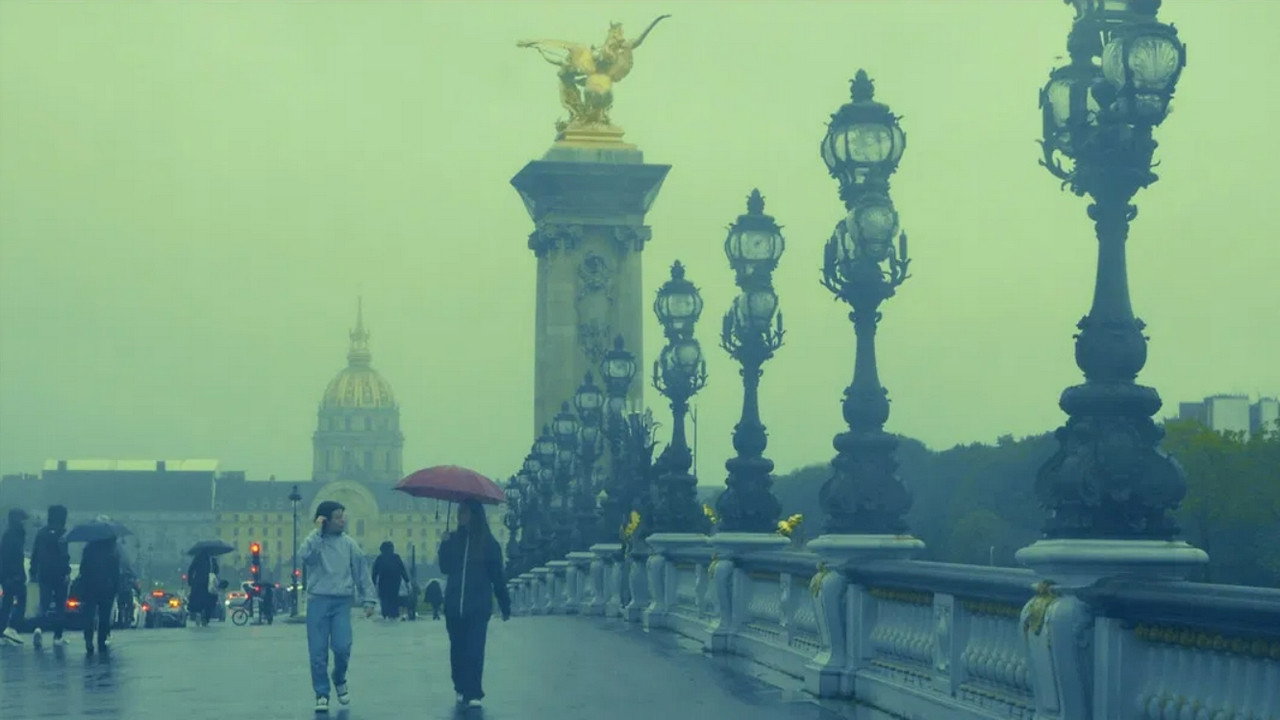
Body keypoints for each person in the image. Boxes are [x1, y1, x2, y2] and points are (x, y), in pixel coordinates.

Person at [300, 501, 376, 714]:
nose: (343, 520)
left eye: (343, 516)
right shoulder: (314, 542)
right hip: (317, 601)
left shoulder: (350, 545)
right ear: (325, 520)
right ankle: (322, 693)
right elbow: (306, 557)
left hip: (342, 601)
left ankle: (339, 677)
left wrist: (368, 599)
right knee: (317, 652)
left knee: (343, 647)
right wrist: (317, 533)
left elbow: (362, 572)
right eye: (338, 517)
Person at [438, 499, 511, 710]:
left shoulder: (489, 544)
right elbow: (444, 568)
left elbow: (498, 577)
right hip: (454, 606)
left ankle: (474, 691)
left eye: (464, 512)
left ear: (475, 515)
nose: (459, 516)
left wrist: (504, 604)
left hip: (478, 606)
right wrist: (444, 544)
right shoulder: (452, 540)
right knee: (457, 649)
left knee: (475, 649)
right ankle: (460, 685)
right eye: (459, 511)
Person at [30, 505, 71, 647]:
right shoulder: (63, 534)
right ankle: (57, 637)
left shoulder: (41, 533)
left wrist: (33, 571)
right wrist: (67, 572)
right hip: (59, 575)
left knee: (44, 603)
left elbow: (35, 554)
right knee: (60, 606)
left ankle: (38, 628)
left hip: (44, 574)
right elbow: (64, 556)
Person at [78, 536, 120, 654]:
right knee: (104, 616)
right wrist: (116, 587)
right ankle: (101, 640)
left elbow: (83, 569)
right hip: (107, 587)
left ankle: (88, 639)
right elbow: (115, 571)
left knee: (89, 614)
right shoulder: (112, 551)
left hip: (90, 586)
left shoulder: (88, 549)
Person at [0, 508, 29, 644]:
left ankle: (2, 631)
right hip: (13, 575)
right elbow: (13, 557)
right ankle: (12, 627)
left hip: (8, 575)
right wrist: (16, 574)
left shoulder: (9, 535)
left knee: (7, 602)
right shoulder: (14, 536)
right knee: (21, 600)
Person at [370, 541, 409, 620]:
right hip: (395, 582)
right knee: (394, 598)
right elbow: (402, 570)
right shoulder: (396, 557)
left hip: (383, 581)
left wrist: (372, 582)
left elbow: (375, 571)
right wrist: (407, 580)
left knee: (384, 597)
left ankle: (385, 613)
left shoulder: (380, 558)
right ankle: (393, 614)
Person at [186, 551, 219, 626]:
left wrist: (190, 581)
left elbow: (191, 569)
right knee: (206, 600)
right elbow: (217, 571)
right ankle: (203, 617)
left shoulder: (201, 558)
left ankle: (201, 615)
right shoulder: (208, 559)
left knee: (203, 600)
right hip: (205, 583)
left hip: (203, 583)